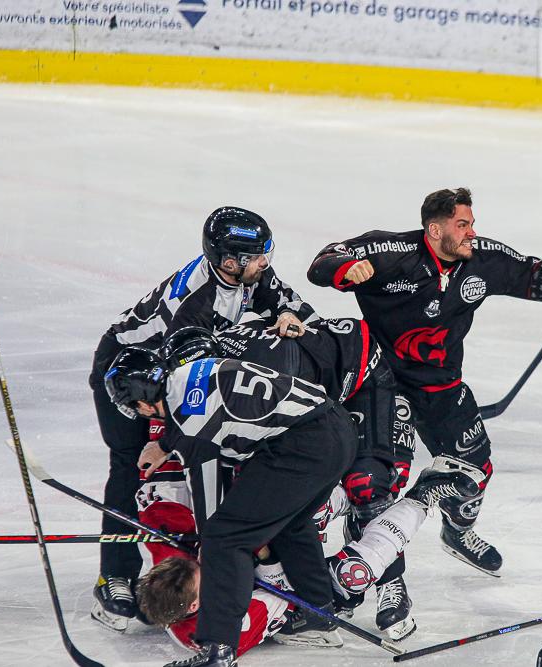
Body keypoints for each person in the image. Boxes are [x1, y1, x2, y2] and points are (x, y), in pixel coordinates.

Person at [307, 187, 542, 576]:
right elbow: (325, 260)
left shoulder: (481, 259)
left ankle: (458, 532)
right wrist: (342, 270)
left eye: (472, 223)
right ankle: (371, 572)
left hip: (443, 386)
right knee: (380, 483)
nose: (471, 232)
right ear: (434, 229)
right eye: (462, 224)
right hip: (385, 385)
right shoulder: (393, 253)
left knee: (475, 472)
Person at [89, 206, 314, 631]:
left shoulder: (246, 270)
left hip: (161, 371)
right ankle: (113, 575)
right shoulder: (192, 301)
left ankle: (198, 553)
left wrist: (289, 314)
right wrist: (168, 440)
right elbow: (187, 387)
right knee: (131, 464)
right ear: (230, 261)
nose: (266, 262)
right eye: (258, 256)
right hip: (125, 372)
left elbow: (288, 302)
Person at [104, 345, 354, 667]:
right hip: (336, 431)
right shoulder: (189, 373)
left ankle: (217, 650)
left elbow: (210, 514)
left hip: (303, 448)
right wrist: (165, 444)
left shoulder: (191, 426)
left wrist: (209, 551)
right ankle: (319, 613)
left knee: (225, 540)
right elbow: (205, 410)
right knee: (291, 525)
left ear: (141, 403)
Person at [134, 446, 479, 657]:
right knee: (352, 574)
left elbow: (154, 509)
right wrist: (263, 553)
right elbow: (282, 593)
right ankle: (423, 496)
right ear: (196, 606)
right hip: (290, 598)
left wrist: (185, 532)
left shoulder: (173, 575)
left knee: (285, 506)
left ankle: (351, 499)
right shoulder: (228, 628)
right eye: (204, 577)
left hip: (250, 558)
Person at [213, 312, 419, 638]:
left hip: (365, 383)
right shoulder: (224, 375)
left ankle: (390, 581)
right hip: (318, 406)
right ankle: (331, 576)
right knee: (292, 503)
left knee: (366, 485)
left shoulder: (260, 376)